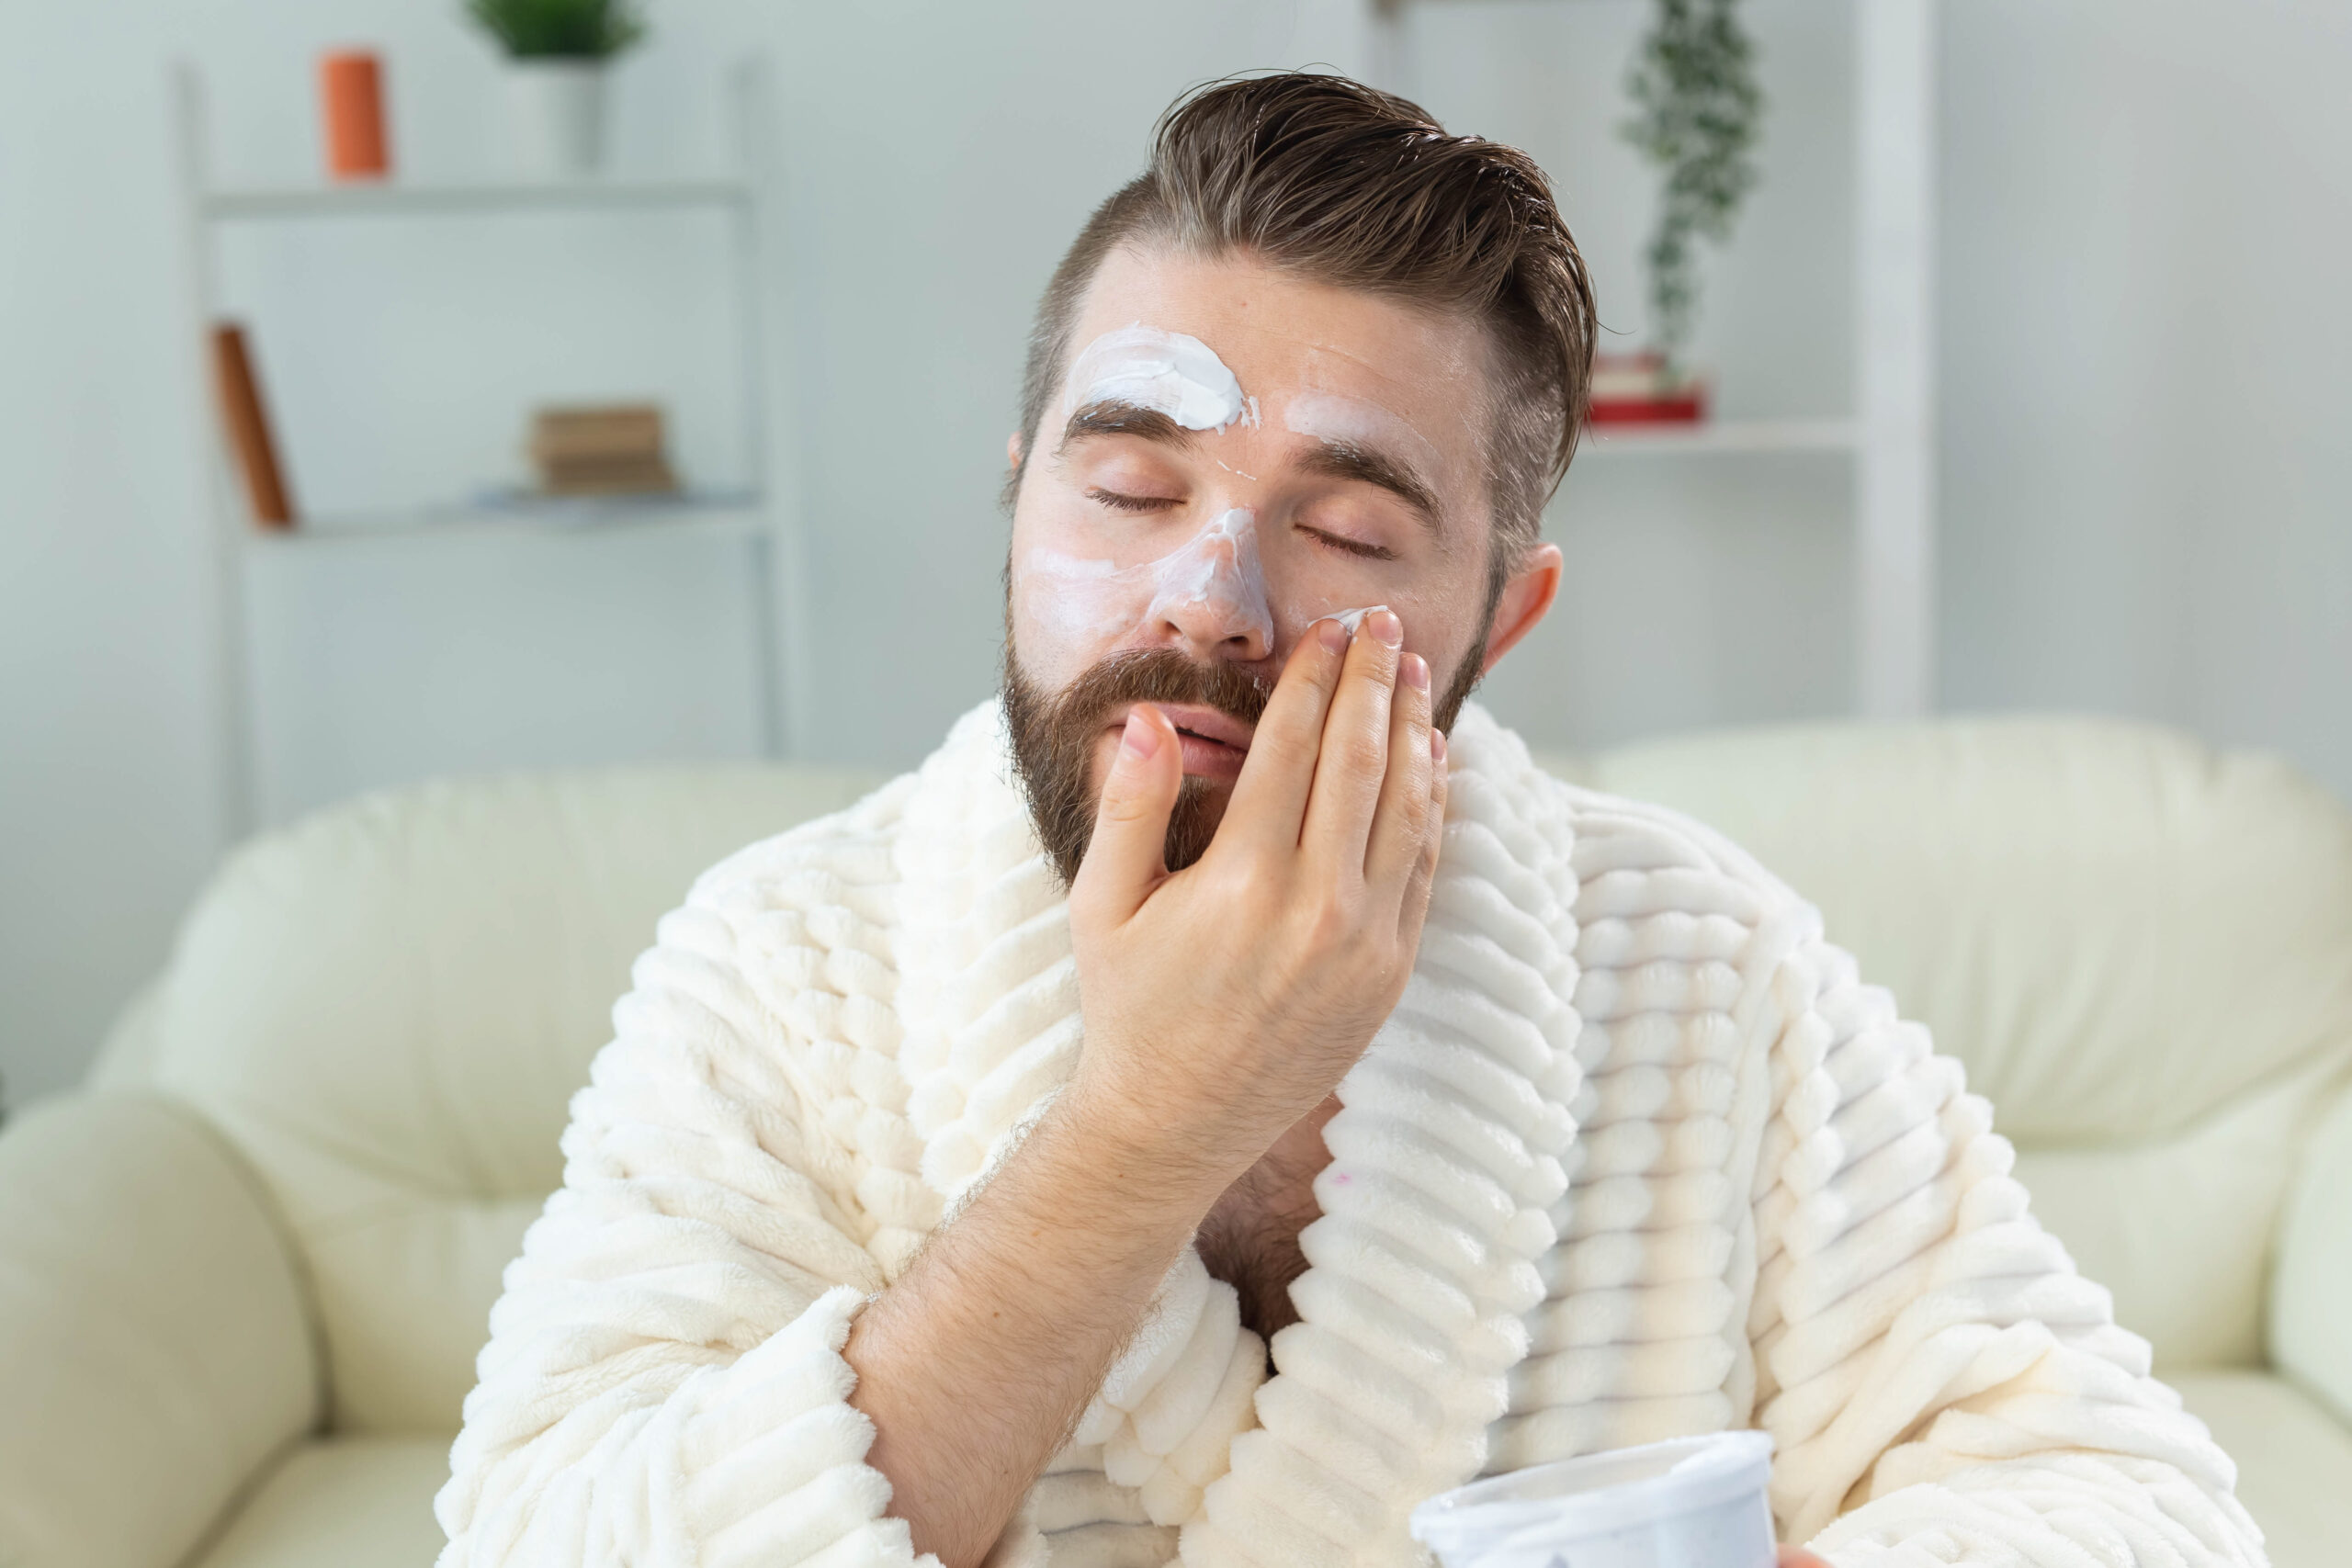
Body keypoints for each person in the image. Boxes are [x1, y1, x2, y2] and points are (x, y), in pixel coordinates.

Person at [435, 73, 2266, 1568]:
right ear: (1016, 514)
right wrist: (1145, 1126)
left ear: (1502, 615)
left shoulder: (1691, 958)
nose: (1209, 593)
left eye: (1349, 528)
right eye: (1130, 482)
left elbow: (2131, 1502)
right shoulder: (785, 969)